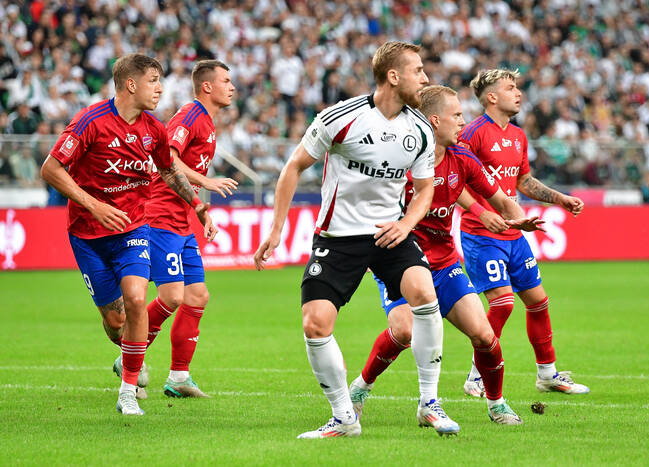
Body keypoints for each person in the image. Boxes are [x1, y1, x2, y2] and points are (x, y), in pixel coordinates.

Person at [254, 41, 457, 438]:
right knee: (315, 323)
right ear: (393, 76)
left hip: (389, 233)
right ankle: (344, 418)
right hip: (339, 236)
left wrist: (407, 223)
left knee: (423, 291)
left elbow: (425, 188)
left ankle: (429, 403)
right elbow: (294, 166)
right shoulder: (340, 117)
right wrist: (276, 229)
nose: (426, 78)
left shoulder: (419, 130)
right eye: (418, 70)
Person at [348, 85, 544, 426]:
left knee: (484, 335)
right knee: (406, 331)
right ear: (434, 121)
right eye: (456, 115)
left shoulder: (462, 159)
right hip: (399, 262)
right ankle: (361, 388)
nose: (462, 121)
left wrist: (516, 217)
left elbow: (499, 198)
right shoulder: (398, 158)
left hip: (443, 262)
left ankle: (496, 404)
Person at [40, 54, 216, 416]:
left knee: (137, 299)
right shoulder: (91, 121)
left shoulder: (154, 129)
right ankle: (128, 359)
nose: (160, 88)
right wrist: (94, 205)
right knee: (116, 320)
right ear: (131, 84)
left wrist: (196, 203)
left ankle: (128, 391)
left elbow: (168, 171)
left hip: (133, 227)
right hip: (87, 233)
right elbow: (51, 168)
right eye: (153, 80)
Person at [458, 69, 589, 396]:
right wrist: (483, 214)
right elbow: (456, 180)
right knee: (502, 304)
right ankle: (476, 375)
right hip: (482, 233)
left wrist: (559, 198)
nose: (518, 93)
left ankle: (547, 374)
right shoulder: (473, 134)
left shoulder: (517, 136)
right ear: (491, 97)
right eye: (510, 88)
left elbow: (523, 182)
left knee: (538, 300)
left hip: (514, 233)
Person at [142, 59, 237, 398]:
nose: (232, 87)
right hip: (160, 216)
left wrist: (203, 214)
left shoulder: (209, 123)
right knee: (171, 295)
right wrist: (207, 181)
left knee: (197, 296)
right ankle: (130, 354)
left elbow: (185, 177)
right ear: (207, 87)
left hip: (183, 219)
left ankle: (179, 377)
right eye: (226, 81)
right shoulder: (190, 115)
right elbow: (166, 157)